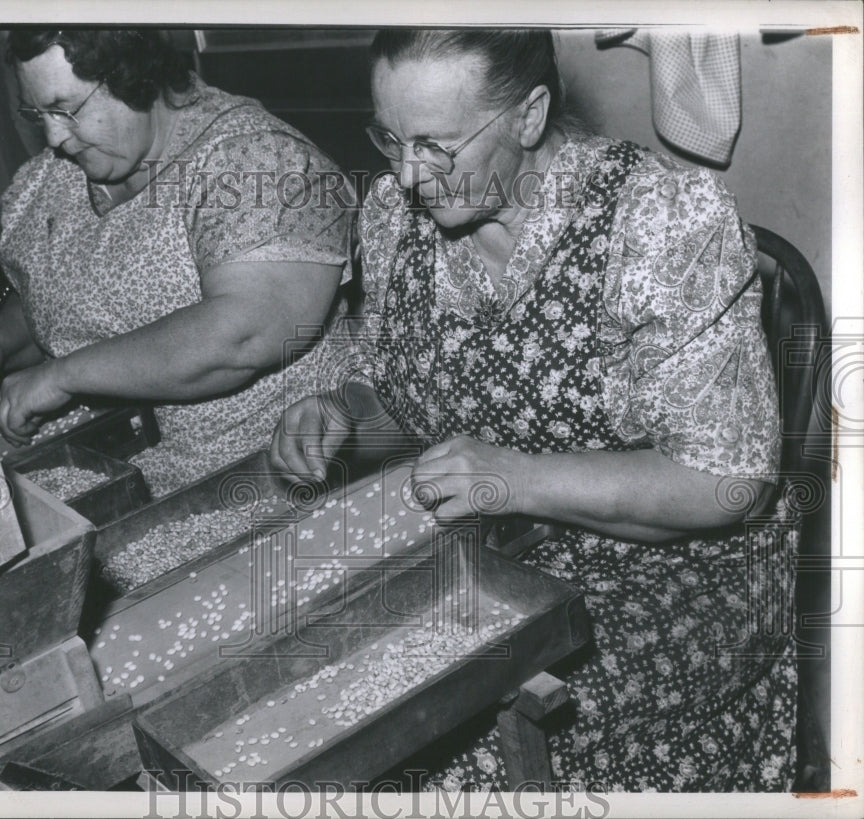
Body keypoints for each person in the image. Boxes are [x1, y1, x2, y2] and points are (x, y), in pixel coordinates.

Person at [271, 29, 797, 792]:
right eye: (390, 138)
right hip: (498, 551)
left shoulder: (657, 224)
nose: (410, 175)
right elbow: (404, 401)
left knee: (450, 749)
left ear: (528, 116)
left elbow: (725, 483)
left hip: (671, 575)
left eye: (437, 144)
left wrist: (517, 479)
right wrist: (344, 412)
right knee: (314, 697)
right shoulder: (394, 217)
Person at [0, 29, 354, 497]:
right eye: (38, 114)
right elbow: (52, 287)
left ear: (135, 76)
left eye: (66, 108)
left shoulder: (255, 162)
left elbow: (244, 331)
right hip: (120, 464)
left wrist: (63, 375)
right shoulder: (55, 177)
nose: (55, 137)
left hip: (267, 471)